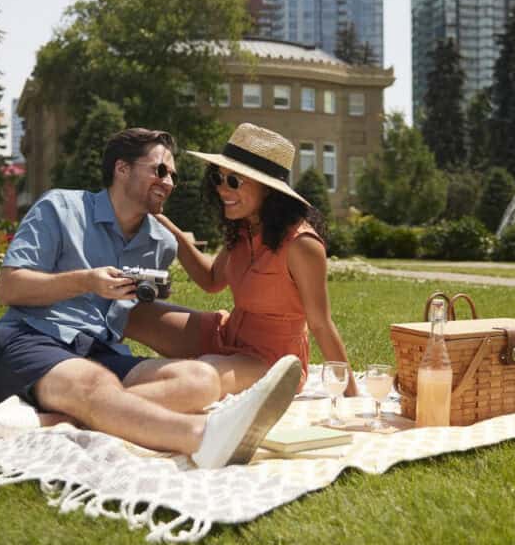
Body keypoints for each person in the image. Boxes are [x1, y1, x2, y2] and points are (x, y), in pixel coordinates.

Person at [0, 127, 301, 469]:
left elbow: (144, 307)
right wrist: (86, 281)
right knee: (95, 383)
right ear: (121, 168)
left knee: (200, 379)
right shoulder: (61, 208)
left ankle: (42, 422)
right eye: (159, 170)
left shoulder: (160, 244)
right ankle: (202, 436)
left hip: (99, 352)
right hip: (31, 339)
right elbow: (9, 287)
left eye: (173, 174)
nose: (169, 182)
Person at [127, 122, 358, 397]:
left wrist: (352, 396)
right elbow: (211, 280)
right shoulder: (243, 228)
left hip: (274, 361)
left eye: (234, 181)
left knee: (200, 374)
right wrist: (158, 220)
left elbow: (321, 324)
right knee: (130, 312)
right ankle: (82, 362)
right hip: (226, 334)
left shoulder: (301, 245)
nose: (223, 190)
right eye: (218, 178)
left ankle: (110, 401)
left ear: (268, 189)